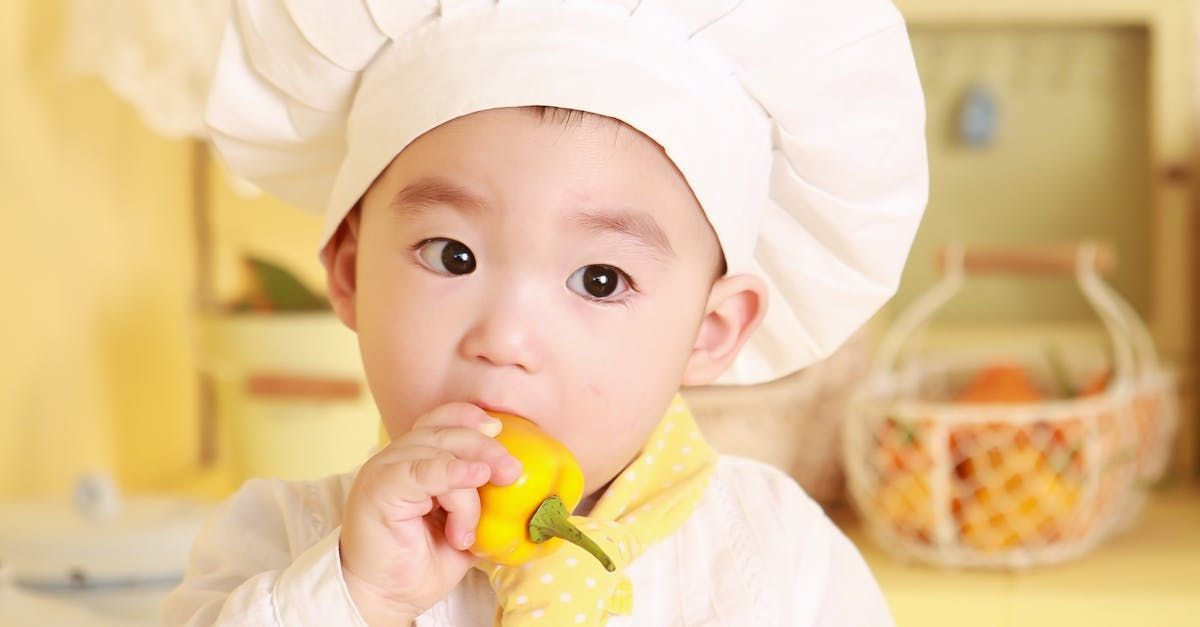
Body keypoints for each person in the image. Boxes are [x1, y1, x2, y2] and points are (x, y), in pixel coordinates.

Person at [162, 0, 927, 625]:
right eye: (452, 255)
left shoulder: (786, 563)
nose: (505, 337)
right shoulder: (276, 547)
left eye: (599, 279)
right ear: (350, 270)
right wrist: (358, 598)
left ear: (711, 329)